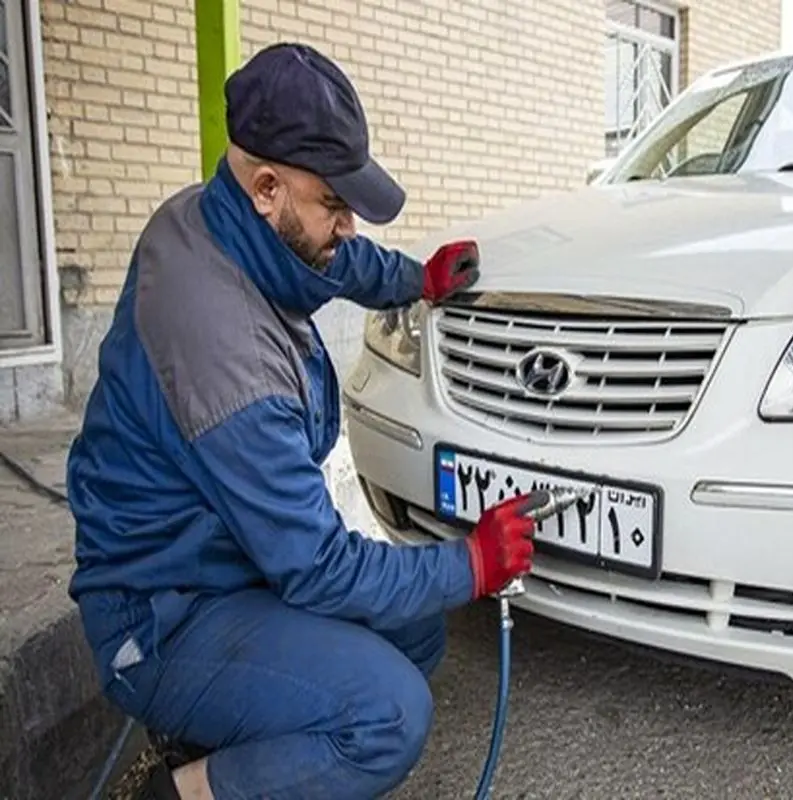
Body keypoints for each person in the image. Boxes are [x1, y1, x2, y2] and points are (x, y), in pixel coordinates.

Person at [66, 42, 536, 800]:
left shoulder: (214, 217)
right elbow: (315, 567)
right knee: (389, 714)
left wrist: (417, 280)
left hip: (228, 563)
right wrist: (472, 565)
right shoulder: (228, 356)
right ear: (267, 188)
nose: (345, 223)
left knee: (417, 629)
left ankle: (247, 736)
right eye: (333, 203)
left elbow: (331, 258)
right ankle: (183, 790)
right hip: (162, 616)